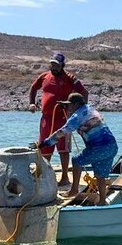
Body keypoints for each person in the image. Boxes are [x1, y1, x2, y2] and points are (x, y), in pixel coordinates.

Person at [31, 92, 118, 205]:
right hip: (112, 146)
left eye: (70, 105)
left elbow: (62, 132)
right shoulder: (90, 108)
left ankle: (74, 190)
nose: (68, 107)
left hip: (99, 148)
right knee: (100, 176)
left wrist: (44, 143)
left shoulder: (76, 117)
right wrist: (66, 107)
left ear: (76, 104)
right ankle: (102, 201)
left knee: (76, 161)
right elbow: (81, 118)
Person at [27, 51, 88, 186]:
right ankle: (42, 176)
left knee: (63, 149)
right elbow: (33, 88)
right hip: (46, 119)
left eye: (57, 65)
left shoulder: (70, 78)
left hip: (63, 118)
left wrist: (81, 113)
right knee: (44, 147)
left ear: (62, 66)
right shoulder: (44, 76)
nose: (54, 67)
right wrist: (32, 103)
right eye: (52, 65)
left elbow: (84, 93)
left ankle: (65, 177)